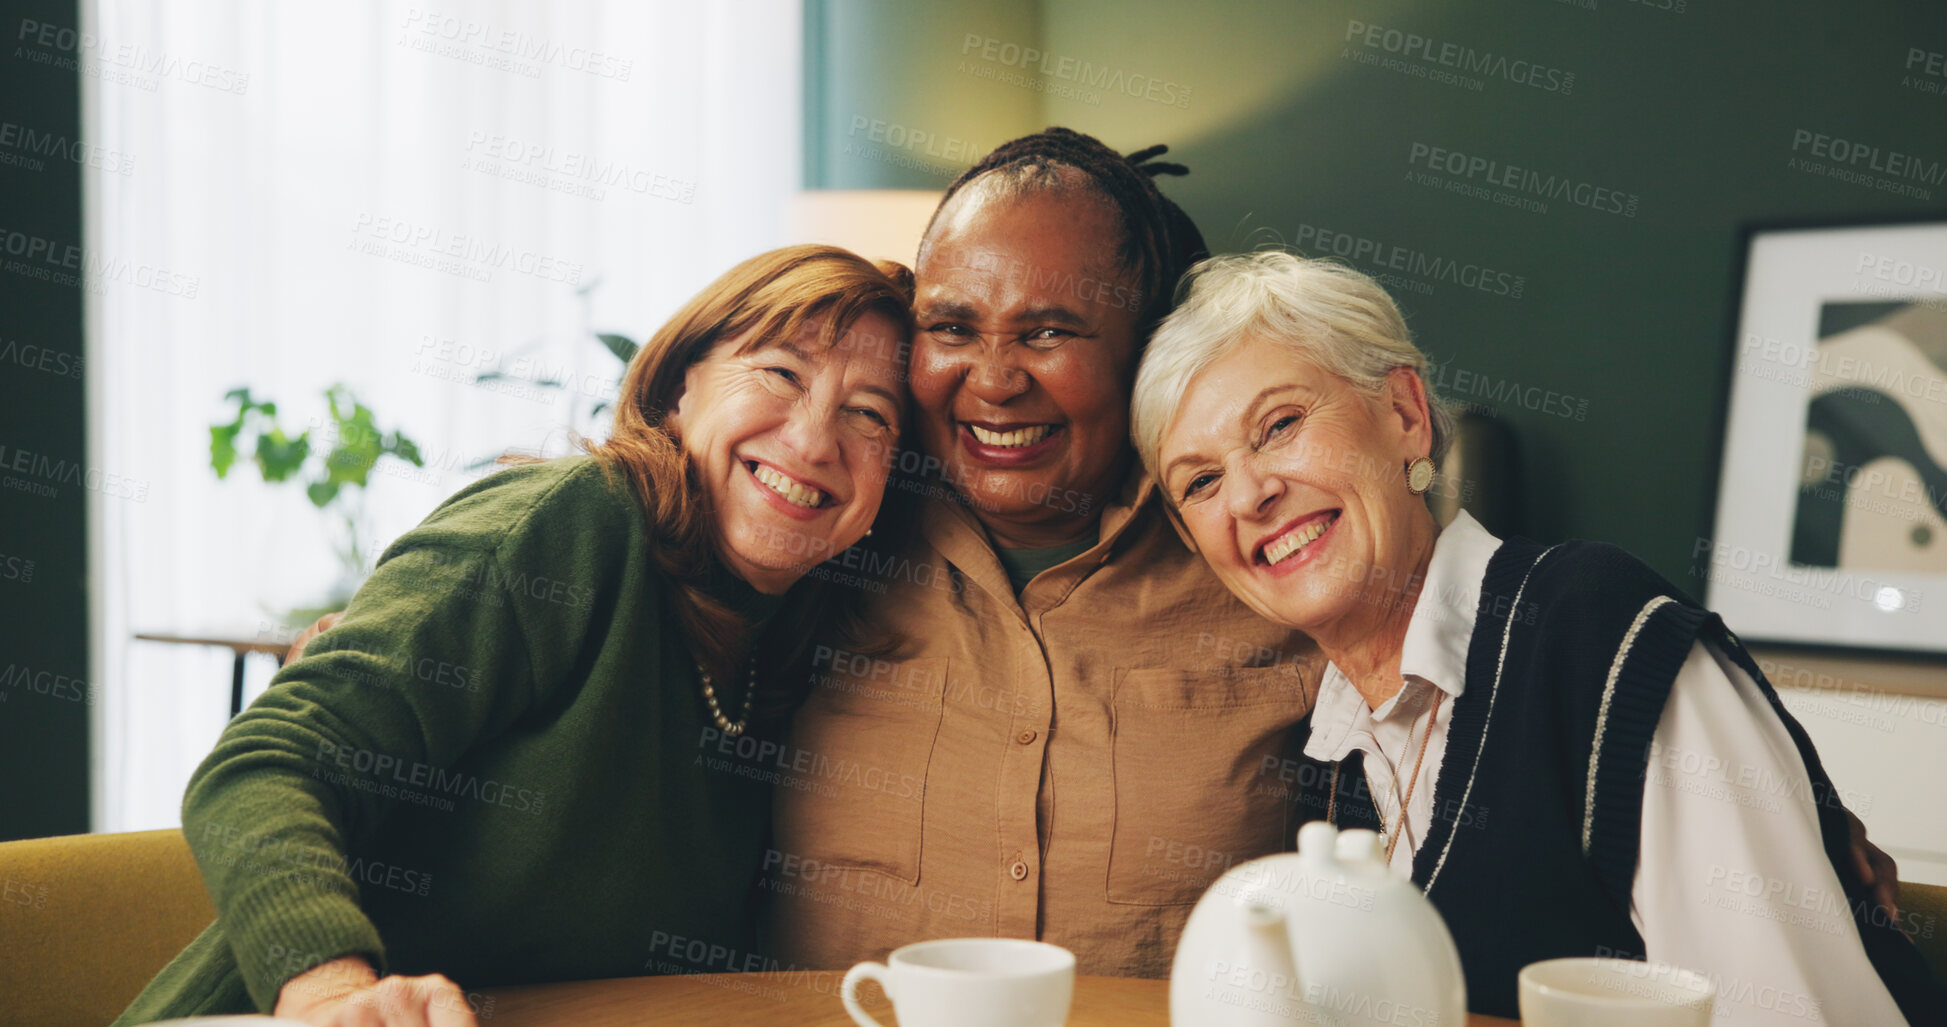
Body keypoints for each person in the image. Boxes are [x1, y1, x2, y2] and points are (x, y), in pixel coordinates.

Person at [1130, 249, 1941, 1022]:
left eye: (1278, 425)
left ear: (1405, 416)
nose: (1248, 494)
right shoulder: (1332, 757)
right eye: (1199, 480)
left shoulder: (1595, 632)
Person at [115, 245, 915, 1026]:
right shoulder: (576, 524)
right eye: (780, 372)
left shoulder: (797, 650)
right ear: (679, 388)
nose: (813, 440)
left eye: (867, 413)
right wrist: (330, 990)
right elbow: (263, 763)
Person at [764, 128, 1322, 979]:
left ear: (1146, 347)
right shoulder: (817, 533)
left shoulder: (1267, 558)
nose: (993, 381)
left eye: (1049, 331)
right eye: (952, 326)